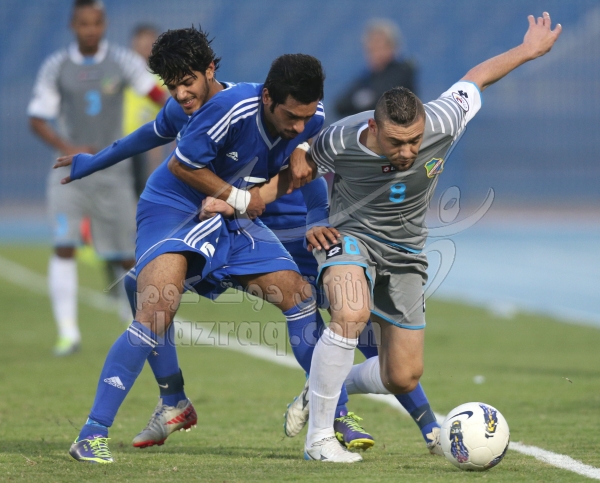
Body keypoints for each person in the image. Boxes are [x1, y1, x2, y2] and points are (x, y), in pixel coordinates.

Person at [56, 29, 443, 457]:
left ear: (210, 70)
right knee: (153, 303)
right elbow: (167, 152)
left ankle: (338, 413)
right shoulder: (220, 110)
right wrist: (95, 161)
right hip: (178, 209)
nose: (181, 94)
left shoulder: (303, 116)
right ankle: (95, 432)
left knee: (303, 297)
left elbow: (307, 168)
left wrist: (313, 216)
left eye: (187, 82)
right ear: (269, 101)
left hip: (233, 214)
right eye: (172, 85)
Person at [287, 12, 562, 463]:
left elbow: (476, 78)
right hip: (351, 237)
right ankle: (319, 439)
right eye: (397, 143)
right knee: (351, 312)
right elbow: (302, 161)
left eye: (414, 141)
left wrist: (528, 51)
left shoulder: (444, 120)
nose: (408, 152)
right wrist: (283, 183)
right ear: (374, 129)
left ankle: (321, 387)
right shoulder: (341, 138)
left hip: (407, 252)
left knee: (403, 375)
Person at [27, 0, 166, 356]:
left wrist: (180, 113)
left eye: (96, 23)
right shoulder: (56, 66)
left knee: (126, 254)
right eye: (83, 23)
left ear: (103, 25)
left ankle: (136, 325)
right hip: (68, 173)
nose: (90, 30)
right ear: (73, 26)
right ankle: (68, 334)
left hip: (113, 172)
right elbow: (37, 118)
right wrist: (67, 146)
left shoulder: (123, 61)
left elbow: (157, 96)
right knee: (64, 246)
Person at [334, 19, 416, 119]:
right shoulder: (367, 78)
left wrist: (363, 100)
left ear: (392, 47)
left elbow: (383, 102)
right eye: (371, 50)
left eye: (379, 48)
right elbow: (340, 106)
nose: (375, 54)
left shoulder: (403, 71)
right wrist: (363, 100)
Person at [123, 24, 166, 196]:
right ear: (134, 43)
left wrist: (156, 150)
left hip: (142, 143)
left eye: (152, 42)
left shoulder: (163, 78)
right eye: (144, 42)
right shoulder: (121, 72)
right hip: (116, 138)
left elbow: (166, 115)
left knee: (140, 189)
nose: (149, 46)